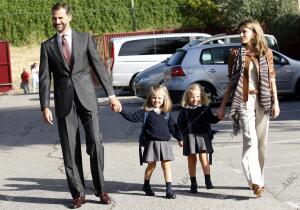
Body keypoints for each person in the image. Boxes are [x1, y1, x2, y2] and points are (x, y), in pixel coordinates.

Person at [39, 3, 122, 208]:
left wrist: (111, 95)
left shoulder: (85, 38)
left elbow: (99, 67)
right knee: (70, 148)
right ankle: (78, 193)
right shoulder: (47, 46)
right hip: (63, 101)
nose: (57, 22)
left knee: (95, 142)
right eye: (54, 18)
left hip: (87, 98)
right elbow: (44, 78)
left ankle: (101, 189)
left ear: (69, 17)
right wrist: (44, 106)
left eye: (60, 18)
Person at [216, 19, 280, 198]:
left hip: (263, 99)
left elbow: (272, 79)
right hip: (243, 100)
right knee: (250, 140)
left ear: (254, 32)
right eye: (240, 31)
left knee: (261, 143)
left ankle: (259, 177)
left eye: (244, 31)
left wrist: (275, 102)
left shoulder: (266, 53)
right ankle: (255, 182)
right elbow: (231, 82)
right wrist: (222, 107)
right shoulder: (235, 53)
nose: (241, 34)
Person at [118, 85, 181, 199]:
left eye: (159, 98)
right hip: (151, 144)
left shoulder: (167, 113)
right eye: (154, 98)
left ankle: (169, 190)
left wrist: (179, 138)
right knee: (151, 166)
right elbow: (132, 117)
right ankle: (146, 185)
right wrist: (120, 109)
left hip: (165, 144)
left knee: (166, 166)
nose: (156, 100)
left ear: (164, 99)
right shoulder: (146, 112)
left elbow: (173, 128)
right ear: (150, 98)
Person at [177, 84, 220, 193]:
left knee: (203, 158)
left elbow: (211, 120)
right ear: (187, 97)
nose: (195, 99)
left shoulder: (204, 109)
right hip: (189, 137)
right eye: (192, 97)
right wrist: (180, 138)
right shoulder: (184, 111)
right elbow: (179, 126)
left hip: (203, 136)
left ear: (201, 97)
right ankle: (193, 183)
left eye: (197, 96)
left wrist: (218, 117)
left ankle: (208, 181)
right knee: (191, 160)